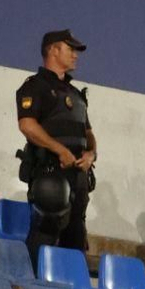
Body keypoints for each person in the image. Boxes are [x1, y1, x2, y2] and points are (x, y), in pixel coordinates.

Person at [16, 29, 96, 267]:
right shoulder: (35, 86)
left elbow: (89, 134)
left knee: (75, 241)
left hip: (78, 180)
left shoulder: (76, 95)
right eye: (70, 49)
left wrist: (91, 155)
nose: (75, 55)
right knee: (45, 234)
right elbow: (27, 125)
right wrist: (59, 150)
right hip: (50, 176)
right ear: (53, 50)